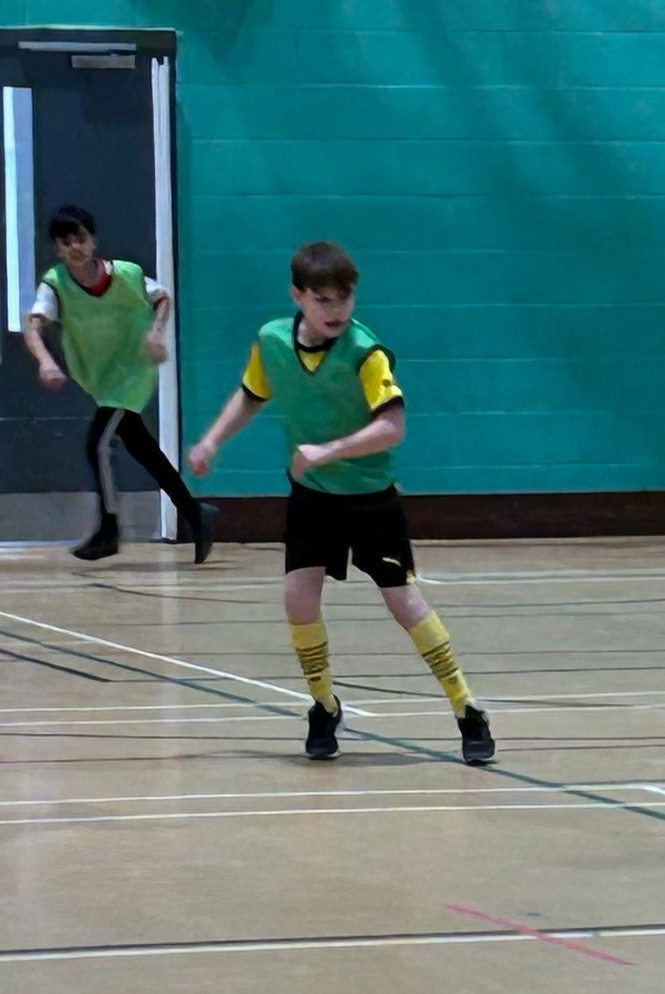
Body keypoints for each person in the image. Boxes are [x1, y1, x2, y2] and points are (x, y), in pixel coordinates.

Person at [187, 241, 495, 764]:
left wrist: (329, 450)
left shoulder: (366, 352)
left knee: (405, 604)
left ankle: (467, 709)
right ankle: (324, 705)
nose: (335, 310)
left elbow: (393, 426)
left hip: (371, 497)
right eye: (323, 300)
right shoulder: (272, 342)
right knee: (298, 599)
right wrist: (214, 440)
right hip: (313, 497)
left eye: (344, 299)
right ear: (298, 296)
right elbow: (251, 394)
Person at [24, 204, 217, 563]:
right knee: (142, 447)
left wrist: (157, 334)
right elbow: (34, 325)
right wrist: (46, 361)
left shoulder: (127, 274)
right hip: (102, 376)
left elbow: (162, 298)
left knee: (97, 444)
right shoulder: (56, 283)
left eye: (80, 238)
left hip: (133, 370)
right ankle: (195, 512)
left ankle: (109, 528)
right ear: (58, 249)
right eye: (66, 242)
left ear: (93, 240)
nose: (75, 247)